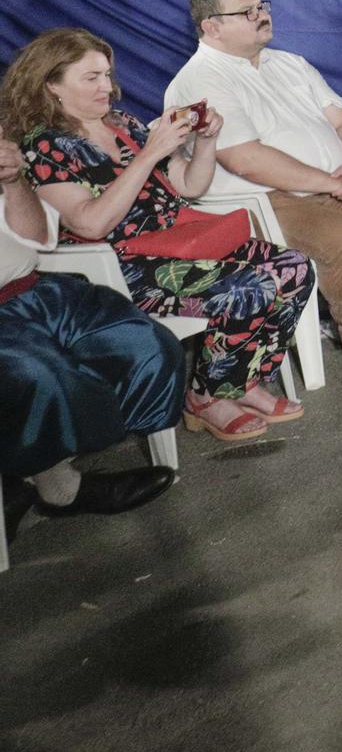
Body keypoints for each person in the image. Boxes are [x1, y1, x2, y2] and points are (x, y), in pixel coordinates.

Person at [4, 29, 315, 443]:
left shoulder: (124, 124)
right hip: (118, 265)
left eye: (107, 75)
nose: (106, 87)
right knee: (248, 287)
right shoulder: (43, 148)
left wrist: (206, 143)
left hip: (178, 242)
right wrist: (151, 152)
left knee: (295, 267)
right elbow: (89, 224)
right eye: (91, 77)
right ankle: (206, 398)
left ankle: (240, 381)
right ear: (51, 85)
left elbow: (188, 186)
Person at [165, 0, 342, 363]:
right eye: (248, 11)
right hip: (259, 201)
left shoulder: (290, 63)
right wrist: (332, 183)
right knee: (341, 235)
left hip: (329, 185)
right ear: (212, 27)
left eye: (262, 6)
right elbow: (245, 159)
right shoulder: (199, 79)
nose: (262, 15)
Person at [1, 126, 180, 543]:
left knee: (145, 344)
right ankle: (58, 487)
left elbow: (38, 236)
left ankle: (35, 473)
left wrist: (13, 182)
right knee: (41, 376)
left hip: (33, 291)